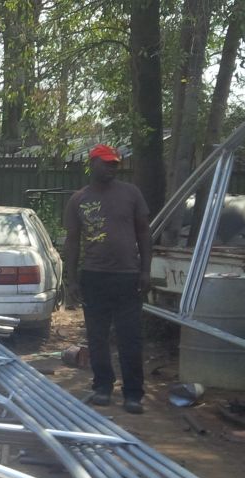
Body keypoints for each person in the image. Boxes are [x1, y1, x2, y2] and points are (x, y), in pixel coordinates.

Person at [63, 144, 153, 414]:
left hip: (127, 276)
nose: (112, 168)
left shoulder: (131, 193)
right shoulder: (79, 199)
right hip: (94, 276)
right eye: (107, 163)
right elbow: (72, 241)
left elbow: (144, 233)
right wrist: (71, 279)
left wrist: (146, 270)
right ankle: (102, 386)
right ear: (93, 164)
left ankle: (133, 393)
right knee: (97, 337)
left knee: (130, 337)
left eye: (115, 164)